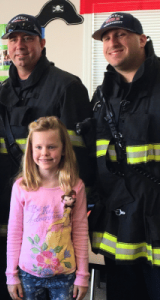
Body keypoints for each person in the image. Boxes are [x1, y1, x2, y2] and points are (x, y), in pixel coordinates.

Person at [0, 14, 93, 300]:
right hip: (13, 210)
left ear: (42, 43)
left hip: (57, 218)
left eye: (27, 38)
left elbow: (80, 156)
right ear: (7, 46)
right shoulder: (1, 94)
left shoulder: (68, 87)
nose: (19, 44)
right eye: (13, 39)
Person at [88, 12, 160, 300]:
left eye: (120, 34)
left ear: (142, 39)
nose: (112, 42)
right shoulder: (101, 95)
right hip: (117, 222)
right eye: (106, 37)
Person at [6, 116, 89, 300]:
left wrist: (83, 276)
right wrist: (11, 275)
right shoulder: (21, 187)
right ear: (31, 150)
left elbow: (81, 232)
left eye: (51, 147)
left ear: (63, 149)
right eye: (39, 147)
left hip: (66, 275)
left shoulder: (75, 187)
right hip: (27, 275)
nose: (45, 153)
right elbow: (14, 232)